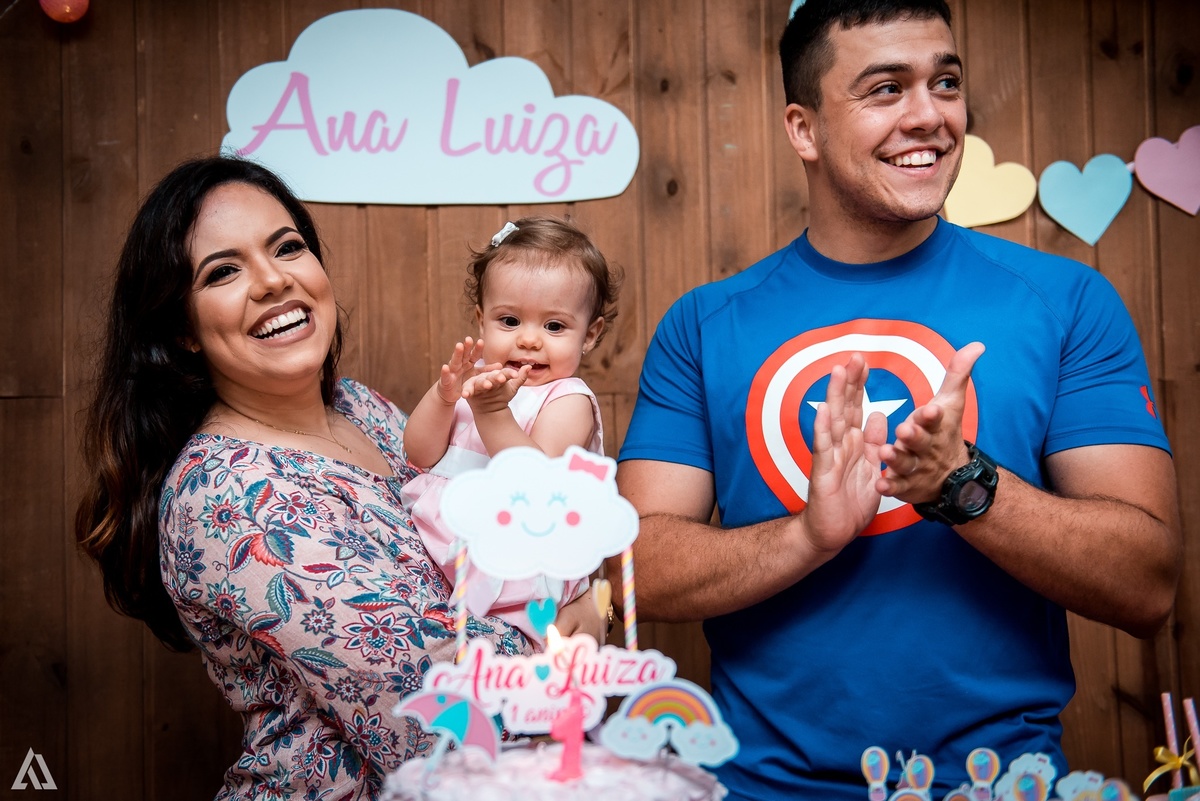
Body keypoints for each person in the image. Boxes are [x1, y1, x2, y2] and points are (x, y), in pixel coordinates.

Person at [609, 1, 1182, 799]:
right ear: (804, 130)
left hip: (998, 785)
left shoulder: (1067, 302)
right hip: (758, 787)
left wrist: (963, 484)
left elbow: (1148, 586)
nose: (929, 116)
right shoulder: (705, 324)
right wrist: (807, 536)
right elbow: (633, 571)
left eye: (945, 83)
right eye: (886, 89)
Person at [74, 156, 603, 800]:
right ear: (182, 328)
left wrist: (587, 601)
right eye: (223, 271)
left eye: (287, 247)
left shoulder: (361, 408)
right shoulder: (230, 494)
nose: (274, 280)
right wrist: (569, 641)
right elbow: (432, 715)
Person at [400, 216, 620, 648]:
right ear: (481, 320)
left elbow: (535, 482)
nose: (529, 340)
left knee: (522, 662)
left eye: (554, 326)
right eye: (510, 320)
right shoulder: (478, 381)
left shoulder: (567, 399)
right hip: (440, 552)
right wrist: (443, 398)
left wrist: (493, 413)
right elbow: (421, 454)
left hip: (516, 567)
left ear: (589, 334)